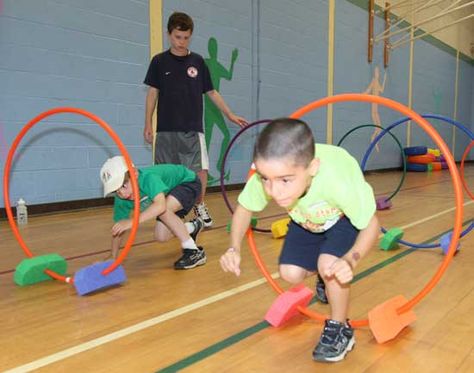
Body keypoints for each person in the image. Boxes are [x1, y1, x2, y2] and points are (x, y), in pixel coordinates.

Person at [219, 118, 379, 363]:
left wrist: (351, 259)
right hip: (305, 218)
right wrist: (233, 247)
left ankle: (340, 328)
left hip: (342, 217)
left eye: (285, 180)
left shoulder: (338, 182)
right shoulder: (272, 173)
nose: (273, 191)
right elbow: (244, 209)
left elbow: (371, 225)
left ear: (312, 168)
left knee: (331, 267)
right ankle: (324, 277)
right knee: (290, 274)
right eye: (265, 179)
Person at [143, 11, 248, 228]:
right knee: (165, 172)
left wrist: (229, 114)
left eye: (186, 37)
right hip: (165, 130)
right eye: (177, 37)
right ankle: (167, 210)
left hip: (192, 129)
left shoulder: (197, 62)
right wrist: (147, 123)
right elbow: (152, 93)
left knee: (200, 170)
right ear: (168, 34)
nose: (181, 42)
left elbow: (212, 92)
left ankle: (199, 205)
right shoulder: (159, 62)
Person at [100, 156, 206, 270]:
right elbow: (118, 229)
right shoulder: (121, 199)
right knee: (161, 237)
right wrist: (113, 255)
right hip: (168, 194)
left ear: (134, 174)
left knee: (162, 210)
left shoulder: (148, 178)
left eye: (124, 186)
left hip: (188, 182)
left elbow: (160, 206)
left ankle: (194, 252)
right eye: (116, 191)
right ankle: (193, 226)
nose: (122, 193)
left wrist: (133, 221)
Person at [362, 66, 387, 152]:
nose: (377, 74)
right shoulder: (373, 81)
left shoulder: (378, 82)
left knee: (379, 129)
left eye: (378, 72)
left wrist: (384, 79)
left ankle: (374, 140)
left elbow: (382, 90)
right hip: (374, 109)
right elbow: (368, 90)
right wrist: (363, 94)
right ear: (374, 73)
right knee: (378, 128)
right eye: (376, 72)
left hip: (376, 109)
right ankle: (373, 140)